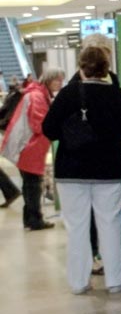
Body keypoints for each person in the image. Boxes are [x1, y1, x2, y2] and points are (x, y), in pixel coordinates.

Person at [42, 47, 121, 294]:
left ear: (81, 67)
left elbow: (48, 129)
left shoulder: (68, 94)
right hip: (108, 169)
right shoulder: (117, 94)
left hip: (71, 169)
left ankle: (79, 281)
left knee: (77, 227)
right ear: (106, 68)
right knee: (110, 224)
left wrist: (71, 133)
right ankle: (115, 280)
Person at [0, 68, 65, 230]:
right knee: (33, 184)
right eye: (57, 79)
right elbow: (40, 124)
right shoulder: (37, 96)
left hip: (28, 145)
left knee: (30, 184)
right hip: (29, 145)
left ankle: (30, 218)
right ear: (49, 80)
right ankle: (35, 219)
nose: (60, 83)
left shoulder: (37, 94)